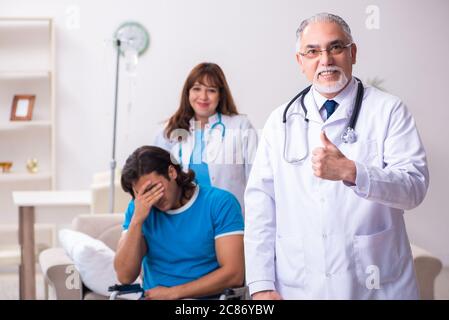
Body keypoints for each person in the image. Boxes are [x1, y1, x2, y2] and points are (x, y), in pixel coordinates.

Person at [244, 13, 429, 299]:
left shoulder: (388, 110)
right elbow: (261, 205)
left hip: (377, 284)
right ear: (300, 61)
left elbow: (413, 188)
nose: (325, 59)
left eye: (336, 47)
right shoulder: (280, 120)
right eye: (313, 51)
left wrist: (353, 172)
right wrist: (260, 284)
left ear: (352, 53)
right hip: (300, 285)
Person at [114, 146, 244, 299]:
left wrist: (173, 293)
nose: (153, 198)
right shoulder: (139, 209)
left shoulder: (220, 203)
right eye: (142, 193)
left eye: (154, 188)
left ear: (172, 172)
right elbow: (124, 276)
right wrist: (136, 221)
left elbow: (235, 274)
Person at [154, 62, 258, 210]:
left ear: (220, 95)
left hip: (228, 215)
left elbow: (257, 179)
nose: (203, 97)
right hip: (185, 216)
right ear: (188, 92)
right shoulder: (169, 130)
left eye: (211, 90)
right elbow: (157, 176)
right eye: (197, 89)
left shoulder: (240, 126)